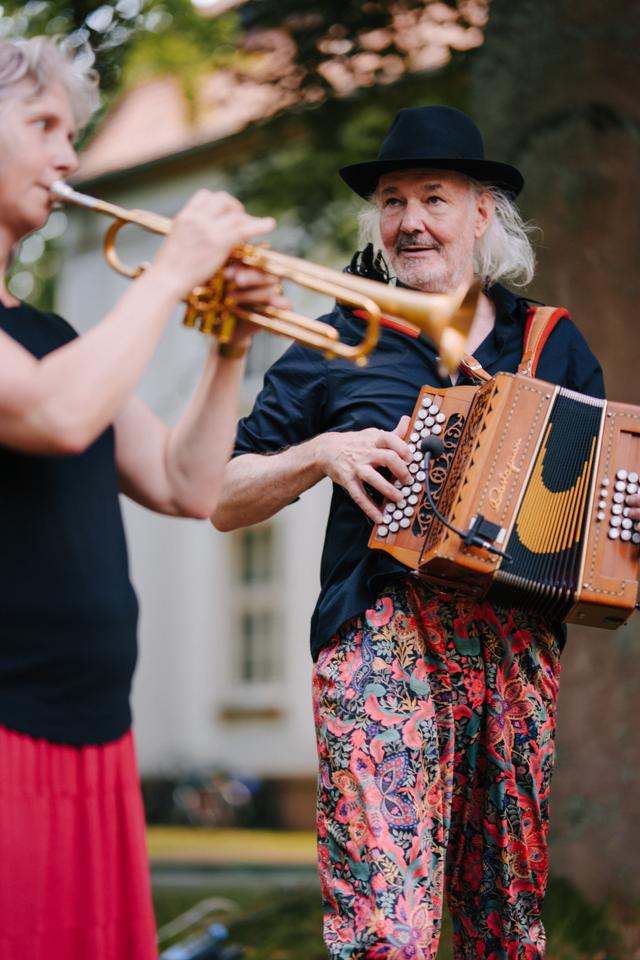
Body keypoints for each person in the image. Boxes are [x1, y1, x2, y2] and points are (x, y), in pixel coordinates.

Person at [212, 105, 640, 959]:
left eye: (433, 198)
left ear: (482, 212)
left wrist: (627, 520)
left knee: (506, 928)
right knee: (387, 932)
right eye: (393, 200)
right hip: (382, 633)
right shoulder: (340, 338)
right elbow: (221, 493)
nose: (409, 220)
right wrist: (320, 453)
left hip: (516, 654)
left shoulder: (551, 343)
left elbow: (604, 493)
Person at [0, 36, 285, 960]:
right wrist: (171, 274)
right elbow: (54, 415)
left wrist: (230, 343)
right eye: (43, 125)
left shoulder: (50, 333)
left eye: (74, 132)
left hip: (92, 740)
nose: (69, 157)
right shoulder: (52, 367)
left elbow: (185, 482)